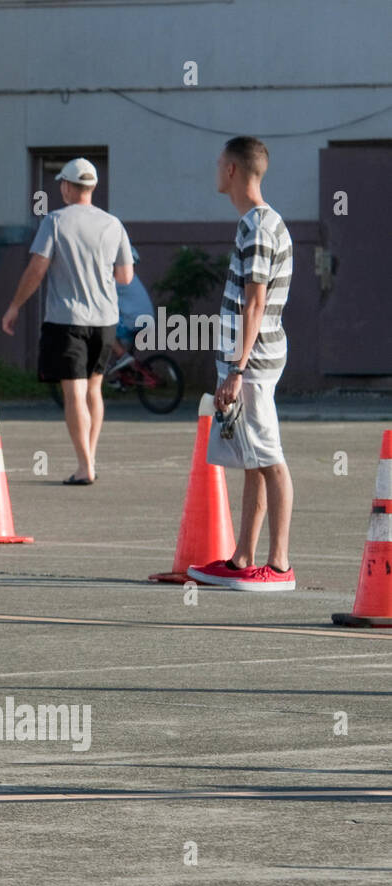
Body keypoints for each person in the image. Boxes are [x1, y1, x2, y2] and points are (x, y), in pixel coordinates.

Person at [188, 136, 295, 592]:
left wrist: (237, 368)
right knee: (254, 456)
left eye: (218, 163)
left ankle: (279, 565)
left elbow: (255, 303)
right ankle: (243, 560)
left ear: (232, 170)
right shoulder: (259, 223)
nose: (215, 169)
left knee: (269, 458)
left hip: (252, 363)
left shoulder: (257, 227)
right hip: (255, 358)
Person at [2, 157, 133, 484]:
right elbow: (125, 276)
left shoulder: (55, 221)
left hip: (67, 320)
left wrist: (15, 305)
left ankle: (84, 465)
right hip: (105, 320)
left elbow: (37, 269)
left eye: (62, 182)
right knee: (94, 390)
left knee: (73, 393)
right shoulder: (113, 224)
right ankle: (88, 459)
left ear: (68, 186)